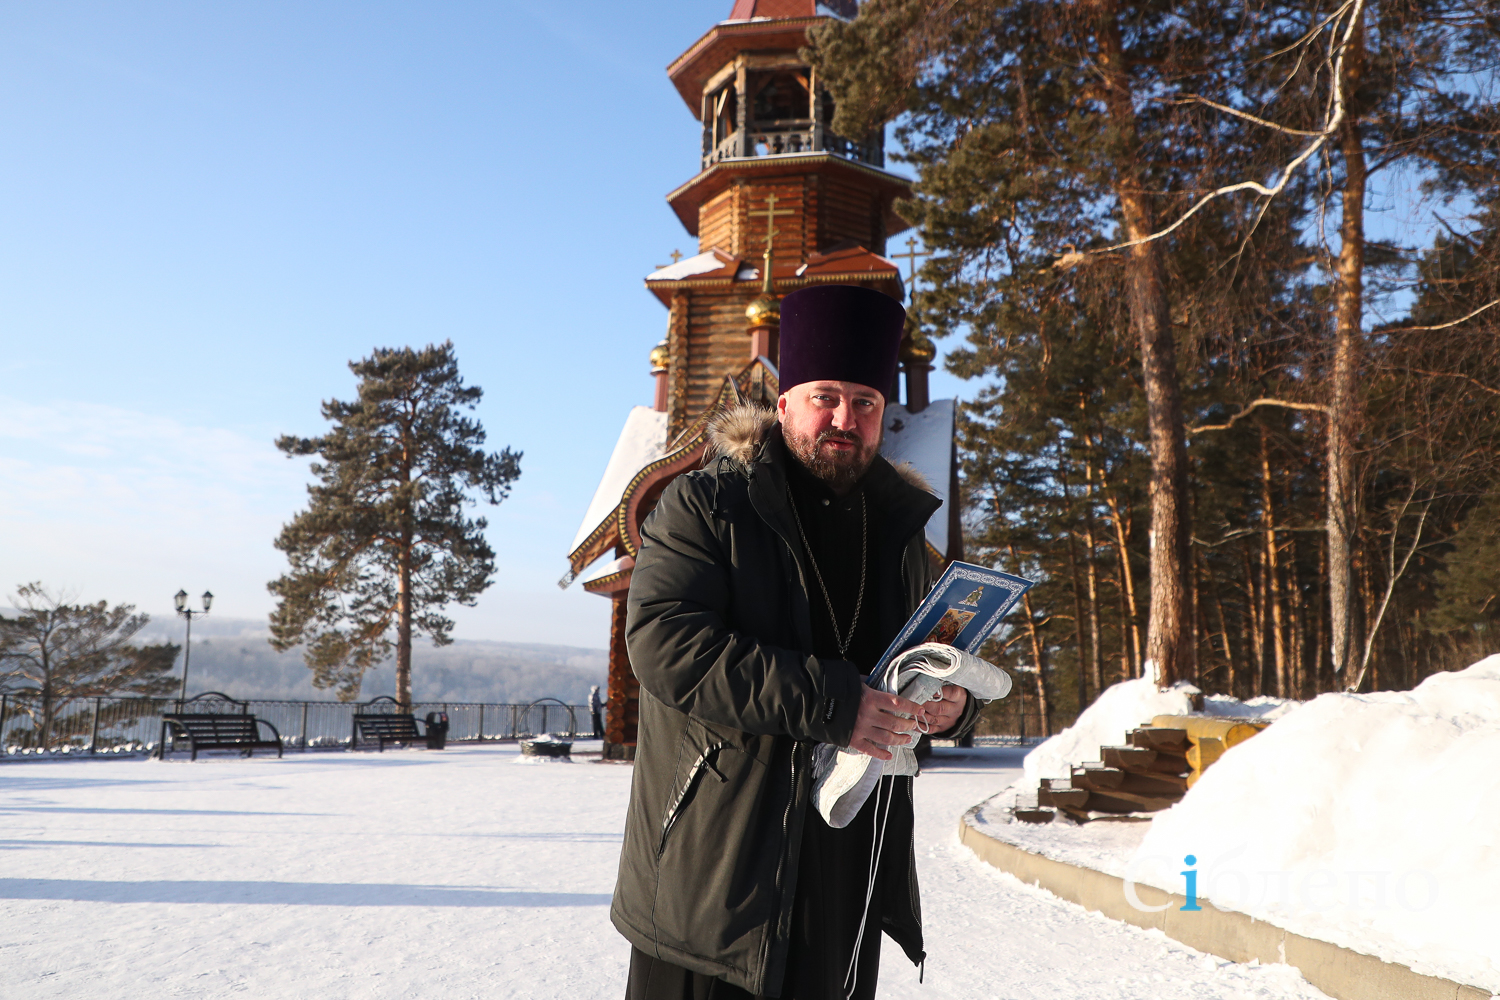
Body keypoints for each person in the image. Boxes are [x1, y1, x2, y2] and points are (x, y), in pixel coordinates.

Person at [612, 284, 981, 1000]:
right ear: (783, 404)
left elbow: (925, 657)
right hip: (716, 875)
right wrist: (836, 703)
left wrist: (952, 704)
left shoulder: (899, 535)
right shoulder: (708, 504)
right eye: (826, 397)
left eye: (866, 402)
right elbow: (664, 642)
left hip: (843, 869)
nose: (845, 418)